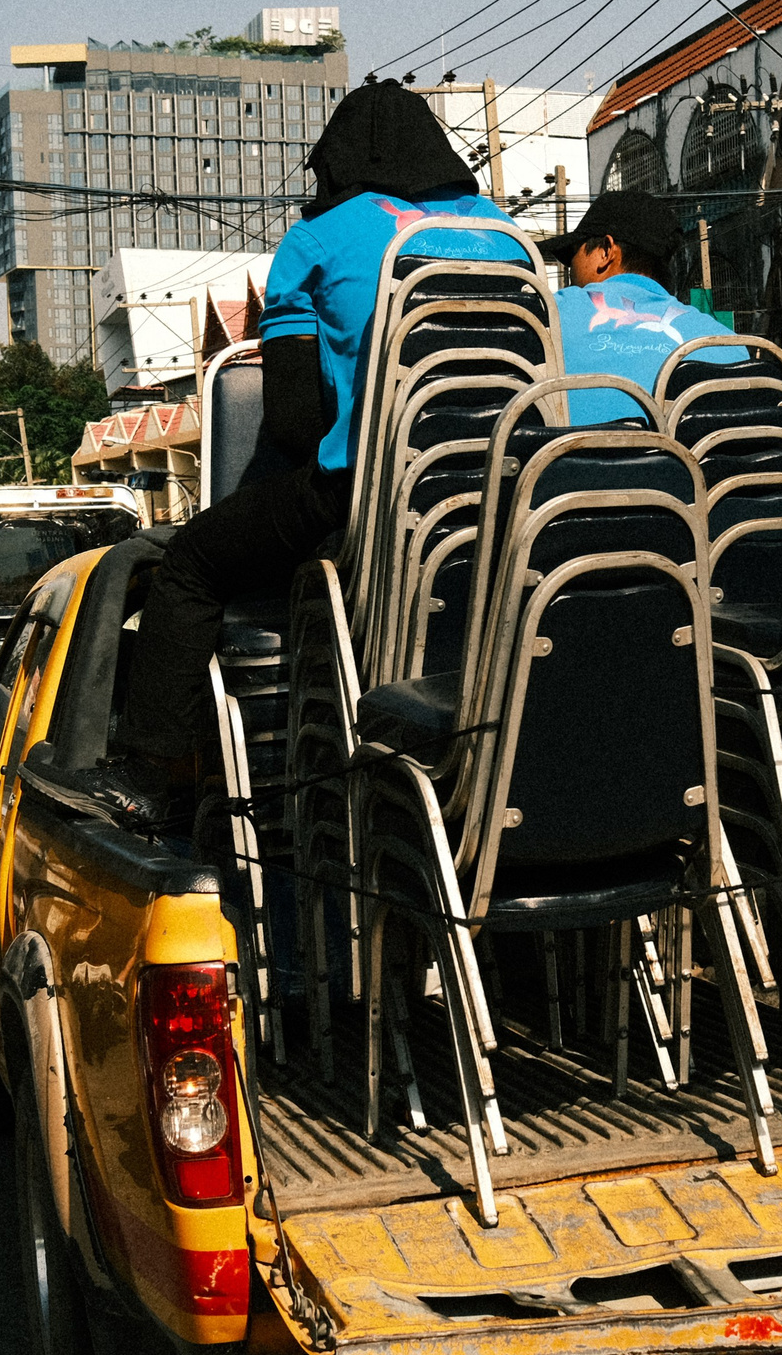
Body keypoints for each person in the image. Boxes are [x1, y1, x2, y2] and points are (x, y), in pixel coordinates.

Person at [100, 82, 523, 823]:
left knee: (192, 566)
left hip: (371, 494)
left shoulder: (318, 241)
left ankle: (149, 775)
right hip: (497, 494)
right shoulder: (507, 235)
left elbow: (295, 422)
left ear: (337, 163)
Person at [541, 189, 745, 419]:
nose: (571, 270)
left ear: (606, 251)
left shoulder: (544, 318)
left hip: (566, 453)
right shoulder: (728, 344)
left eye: (572, 256)